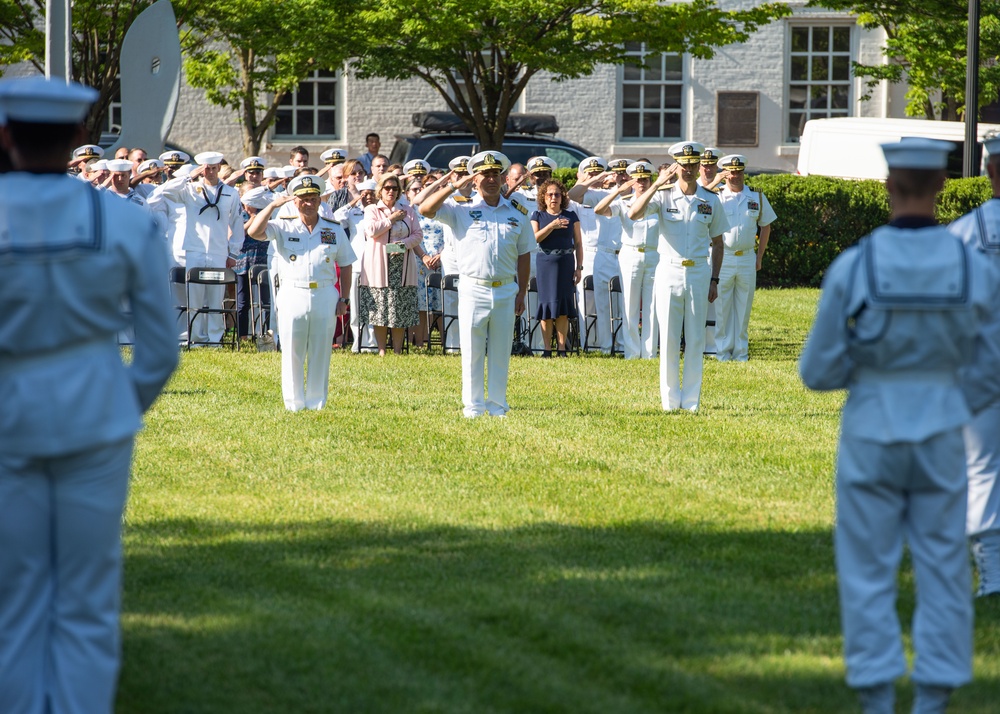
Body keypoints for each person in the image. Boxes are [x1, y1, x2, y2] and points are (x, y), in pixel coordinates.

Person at [799, 138, 1000, 714]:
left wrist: (868, 368)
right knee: (942, 562)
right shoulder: (969, 263)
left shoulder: (857, 263)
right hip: (941, 428)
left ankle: (876, 694)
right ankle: (934, 693)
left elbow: (817, 371)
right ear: (943, 187)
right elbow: (989, 365)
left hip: (871, 429)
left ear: (889, 186)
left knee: (866, 566)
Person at [0, 75, 177, 714]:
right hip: (95, 418)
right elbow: (159, 351)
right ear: (80, 137)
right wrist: (115, 411)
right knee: (87, 600)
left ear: (6, 135)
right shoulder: (125, 221)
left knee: (13, 600)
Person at [419, 150, 533, 418]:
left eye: (496, 174)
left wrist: (523, 291)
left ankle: (497, 405)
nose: (491, 180)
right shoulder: (460, 210)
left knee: (501, 350)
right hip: (473, 288)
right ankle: (473, 406)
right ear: (475, 178)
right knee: (471, 349)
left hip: (506, 288)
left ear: (504, 178)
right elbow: (425, 208)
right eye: (485, 174)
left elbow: (525, 254)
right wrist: (452, 186)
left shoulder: (518, 213)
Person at [628, 141, 729, 410]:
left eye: (693, 165)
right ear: (676, 166)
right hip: (668, 271)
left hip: (698, 271)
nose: (688, 169)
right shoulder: (662, 196)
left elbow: (718, 243)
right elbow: (633, 212)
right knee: (670, 338)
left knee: (695, 339)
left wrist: (715, 279)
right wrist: (656, 183)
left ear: (698, 167)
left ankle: (692, 401)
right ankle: (671, 402)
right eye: (683, 165)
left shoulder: (710, 200)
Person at [248, 175, 354, 410]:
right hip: (292, 292)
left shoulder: (332, 228)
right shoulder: (283, 224)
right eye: (304, 198)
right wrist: (273, 206)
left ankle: (316, 403)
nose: (309, 203)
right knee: (292, 351)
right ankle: (294, 404)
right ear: (295, 201)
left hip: (325, 293)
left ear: (319, 200)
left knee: (321, 351)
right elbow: (254, 232)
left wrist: (344, 298)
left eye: (313, 198)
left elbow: (346, 264)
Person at [947, 134, 1000, 599]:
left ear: (987, 172)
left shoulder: (963, 232)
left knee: (982, 469)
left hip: (979, 367)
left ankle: (992, 572)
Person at [150, 150, 244, 345]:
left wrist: (234, 251)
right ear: (201, 170)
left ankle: (215, 338)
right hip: (194, 249)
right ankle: (196, 338)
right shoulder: (190, 189)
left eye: (213, 168)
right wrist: (187, 176)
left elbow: (237, 223)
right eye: (206, 169)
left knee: (216, 297)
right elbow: (161, 193)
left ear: (219, 168)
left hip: (219, 251)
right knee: (194, 297)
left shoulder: (230, 192)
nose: (209, 172)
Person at [595, 160, 664, 360]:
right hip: (630, 254)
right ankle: (632, 352)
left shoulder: (659, 201)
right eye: (637, 179)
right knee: (629, 305)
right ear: (631, 182)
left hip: (654, 254)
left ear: (651, 180)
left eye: (645, 179)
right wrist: (618, 191)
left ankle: (649, 353)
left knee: (652, 306)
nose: (641, 182)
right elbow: (599, 210)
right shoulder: (623, 202)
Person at [713, 154, 776, 362]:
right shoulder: (717, 196)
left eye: (739, 171)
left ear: (743, 172)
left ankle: (741, 353)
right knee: (722, 307)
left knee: (744, 306)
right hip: (724, 258)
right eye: (731, 172)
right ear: (725, 174)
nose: (735, 176)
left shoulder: (756, 197)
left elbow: (766, 225)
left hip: (747, 257)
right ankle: (722, 352)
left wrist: (760, 256)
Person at [359, 173, 427, 355]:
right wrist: (391, 219)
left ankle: (397, 351)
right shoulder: (372, 209)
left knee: (399, 308)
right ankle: (381, 350)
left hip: (403, 264)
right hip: (378, 264)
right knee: (381, 309)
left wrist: (403, 245)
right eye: (387, 188)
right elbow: (372, 231)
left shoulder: (409, 210)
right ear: (380, 190)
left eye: (395, 188)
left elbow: (418, 235)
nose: (391, 191)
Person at [568, 156, 623, 354]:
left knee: (615, 302)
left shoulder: (608, 193)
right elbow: (570, 196)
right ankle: (589, 344)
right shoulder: (581, 196)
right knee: (587, 303)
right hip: (588, 253)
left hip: (613, 252)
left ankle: (617, 344)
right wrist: (588, 180)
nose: (596, 176)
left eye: (599, 172)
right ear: (580, 175)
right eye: (591, 173)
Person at [531, 178, 582, 356]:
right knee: (546, 306)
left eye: (557, 194)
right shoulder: (537, 216)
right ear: (544, 198)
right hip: (545, 262)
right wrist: (552, 225)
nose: (554, 198)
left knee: (563, 307)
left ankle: (561, 348)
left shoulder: (571, 216)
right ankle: (546, 349)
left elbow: (578, 243)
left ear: (562, 197)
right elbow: (535, 238)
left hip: (566, 262)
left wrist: (579, 267)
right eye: (550, 194)